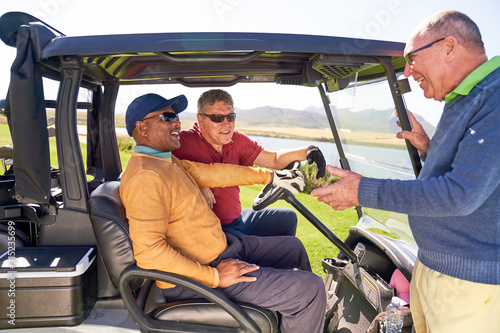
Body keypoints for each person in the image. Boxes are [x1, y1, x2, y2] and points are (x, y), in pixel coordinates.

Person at [311, 10, 500, 333]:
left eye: (412, 59)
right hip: (434, 267)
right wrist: (428, 148)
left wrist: (361, 190)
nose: (409, 72)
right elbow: (472, 176)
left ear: (449, 47)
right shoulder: (464, 98)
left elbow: (461, 194)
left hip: (469, 284)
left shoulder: (493, 98)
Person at [120, 92, 327, 333]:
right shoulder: (146, 175)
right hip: (196, 277)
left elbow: (215, 172)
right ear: (142, 127)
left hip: (220, 249)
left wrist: (270, 176)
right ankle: (302, 306)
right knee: (311, 289)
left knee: (293, 248)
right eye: (167, 117)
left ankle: (295, 320)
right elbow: (149, 254)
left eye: (175, 116)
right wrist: (214, 276)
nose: (176, 121)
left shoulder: (166, 162)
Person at [172, 89, 326, 237]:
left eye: (230, 117)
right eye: (218, 118)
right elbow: (161, 165)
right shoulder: (182, 142)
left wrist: (307, 151)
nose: (226, 124)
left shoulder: (237, 140)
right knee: (291, 247)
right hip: (215, 231)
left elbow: (273, 159)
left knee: (289, 218)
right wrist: (198, 182)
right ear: (201, 120)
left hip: (237, 219)